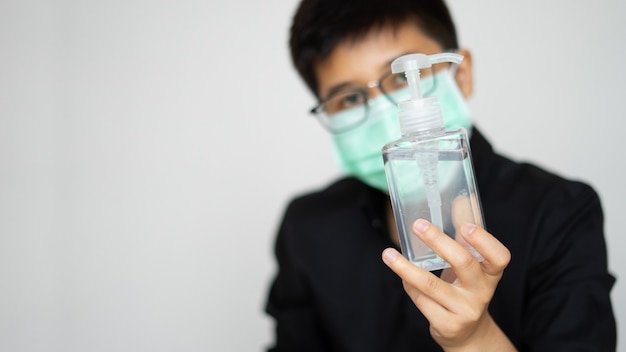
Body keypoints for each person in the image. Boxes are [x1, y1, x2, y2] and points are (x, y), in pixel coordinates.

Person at [265, 0, 617, 351]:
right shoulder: (307, 228)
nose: (384, 110)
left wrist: (474, 339)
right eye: (349, 98)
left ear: (460, 74)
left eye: (403, 76)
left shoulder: (558, 211)